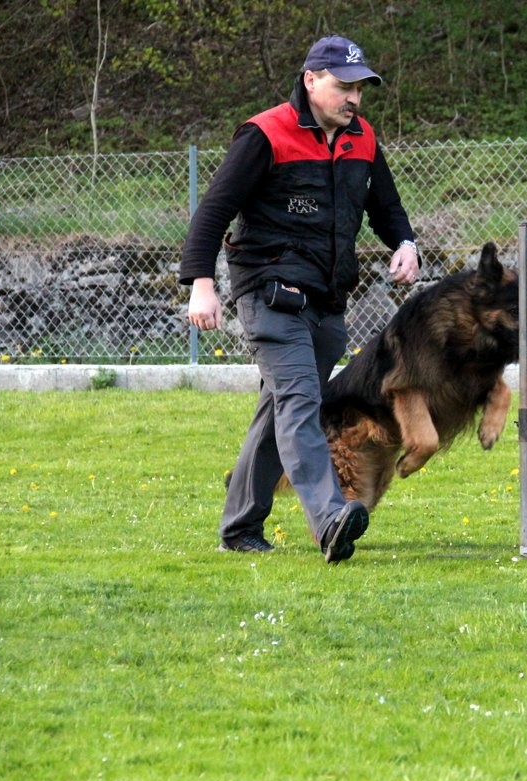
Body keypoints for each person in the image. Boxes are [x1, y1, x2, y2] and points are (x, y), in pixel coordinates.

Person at [179, 35, 419, 563]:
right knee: (301, 402)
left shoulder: (362, 138)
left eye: (360, 89)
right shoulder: (265, 133)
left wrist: (405, 243)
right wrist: (201, 283)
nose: (354, 98)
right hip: (269, 292)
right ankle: (330, 517)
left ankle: (240, 526)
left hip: (328, 298)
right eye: (344, 86)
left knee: (278, 410)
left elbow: (386, 206)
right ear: (311, 80)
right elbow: (213, 210)